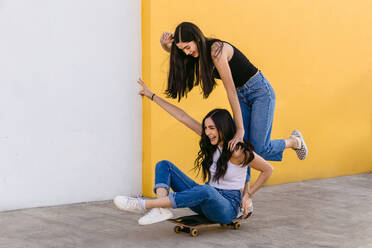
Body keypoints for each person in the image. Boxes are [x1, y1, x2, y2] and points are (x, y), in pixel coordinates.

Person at [113, 78, 273, 226]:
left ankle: (143, 205)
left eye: (212, 128)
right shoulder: (211, 142)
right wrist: (151, 95)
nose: (208, 132)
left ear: (223, 128)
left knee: (206, 190)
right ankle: (161, 208)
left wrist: (247, 195)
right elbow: (182, 116)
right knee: (164, 165)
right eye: (206, 128)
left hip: (227, 207)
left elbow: (267, 169)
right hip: (206, 200)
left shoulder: (237, 150)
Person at [160, 22, 308, 162]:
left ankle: (295, 142)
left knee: (259, 150)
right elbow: (179, 55)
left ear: (196, 38)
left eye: (187, 47)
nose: (187, 53)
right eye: (183, 49)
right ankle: (244, 190)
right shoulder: (198, 53)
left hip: (260, 92)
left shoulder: (216, 50)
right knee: (241, 149)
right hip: (241, 95)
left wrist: (240, 130)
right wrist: (164, 44)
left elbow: (230, 91)